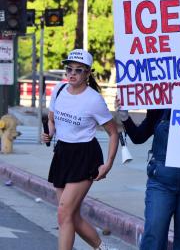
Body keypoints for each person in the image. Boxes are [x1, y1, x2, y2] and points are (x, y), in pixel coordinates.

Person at [118, 62, 180, 249]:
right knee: (153, 234)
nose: (175, 85)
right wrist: (124, 117)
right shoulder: (159, 107)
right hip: (161, 182)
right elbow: (138, 137)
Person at [42, 49, 118, 250]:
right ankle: (103, 248)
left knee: (63, 214)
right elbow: (52, 119)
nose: (72, 74)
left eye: (78, 70)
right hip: (62, 154)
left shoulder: (93, 99)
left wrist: (108, 164)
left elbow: (113, 133)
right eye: (69, 69)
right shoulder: (58, 90)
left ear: (87, 74)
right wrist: (49, 133)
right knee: (70, 215)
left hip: (85, 155)